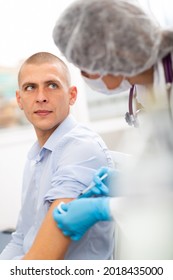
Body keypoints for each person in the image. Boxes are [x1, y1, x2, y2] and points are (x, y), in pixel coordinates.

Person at [52, 0, 173, 258]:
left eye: (84, 66)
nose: (85, 75)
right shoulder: (151, 87)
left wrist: (105, 208)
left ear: (110, 59)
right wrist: (130, 180)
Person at [0, 52, 115, 260]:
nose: (41, 97)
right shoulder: (35, 157)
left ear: (71, 95)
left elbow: (43, 260)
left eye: (52, 85)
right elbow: (20, 239)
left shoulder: (81, 148)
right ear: (19, 99)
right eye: (30, 87)